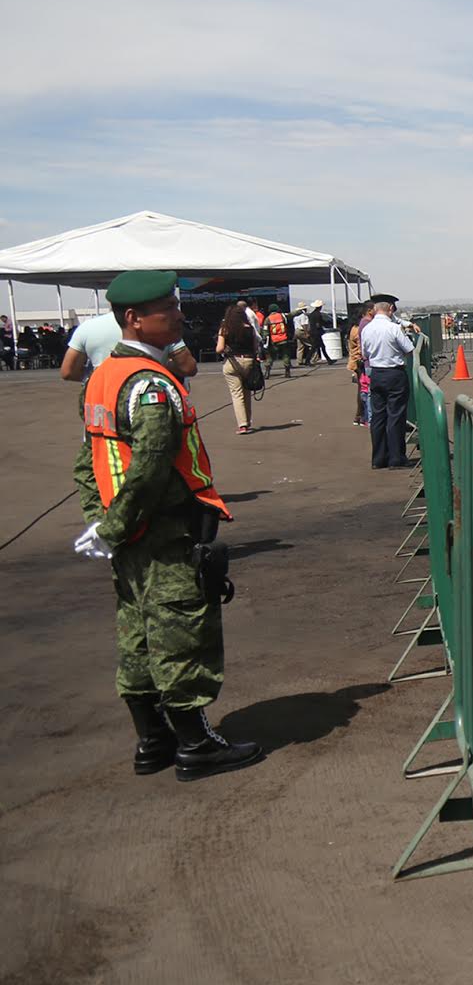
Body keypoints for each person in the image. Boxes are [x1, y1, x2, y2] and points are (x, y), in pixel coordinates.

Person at [72, 270, 261, 782]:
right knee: (179, 633)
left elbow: (87, 463)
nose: (179, 315)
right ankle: (196, 745)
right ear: (134, 319)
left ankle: (152, 741)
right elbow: (152, 467)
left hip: (129, 534)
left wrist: (103, 524)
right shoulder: (150, 384)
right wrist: (115, 527)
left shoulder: (103, 377)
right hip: (163, 531)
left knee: (136, 633)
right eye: (168, 309)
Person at [359, 294, 419, 469]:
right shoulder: (393, 328)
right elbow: (409, 349)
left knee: (378, 416)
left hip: (376, 373)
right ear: (391, 308)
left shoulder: (367, 329)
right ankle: (396, 457)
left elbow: (365, 354)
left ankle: (378, 458)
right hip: (394, 373)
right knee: (396, 416)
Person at [62, 309, 197, 383]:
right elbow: (188, 367)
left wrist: (95, 376)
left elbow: (68, 371)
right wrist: (162, 364)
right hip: (147, 394)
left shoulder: (87, 327)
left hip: (101, 398)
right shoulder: (158, 327)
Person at [216, 302, 259, 433]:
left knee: (237, 394)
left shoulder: (225, 328)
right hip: (248, 361)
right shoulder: (250, 328)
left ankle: (242, 425)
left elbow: (219, 349)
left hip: (232, 362)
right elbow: (255, 347)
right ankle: (248, 420)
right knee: (247, 392)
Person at [348, 300, 374, 425]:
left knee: (362, 389)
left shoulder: (353, 329)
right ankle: (362, 416)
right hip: (360, 363)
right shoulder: (359, 329)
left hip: (355, 362)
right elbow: (361, 347)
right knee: (364, 390)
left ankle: (360, 416)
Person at [264, 303, 293, 378]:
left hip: (274, 340)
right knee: (286, 355)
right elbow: (291, 314)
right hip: (284, 339)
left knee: (270, 357)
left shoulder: (268, 319)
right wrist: (300, 310)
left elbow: (265, 331)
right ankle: (287, 372)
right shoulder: (282, 316)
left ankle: (267, 372)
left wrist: (265, 341)